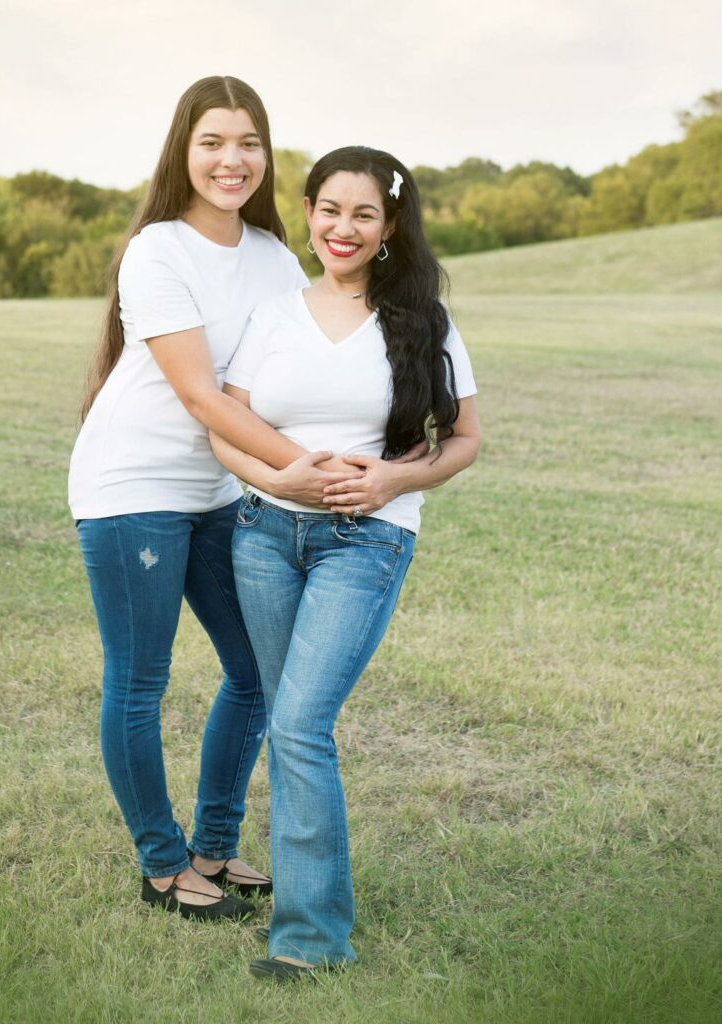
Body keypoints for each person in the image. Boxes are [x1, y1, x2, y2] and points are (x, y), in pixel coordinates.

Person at [69, 76, 363, 918]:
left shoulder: (274, 257)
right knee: (140, 680)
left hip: (217, 489)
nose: (231, 160)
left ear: (267, 156)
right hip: (132, 486)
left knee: (256, 671)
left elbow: (286, 374)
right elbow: (202, 397)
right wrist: (298, 471)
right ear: (183, 151)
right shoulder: (157, 249)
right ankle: (163, 866)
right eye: (212, 143)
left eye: (247, 143)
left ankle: (214, 845)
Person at [209, 146, 481, 978]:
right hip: (262, 536)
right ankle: (300, 907)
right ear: (310, 212)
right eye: (330, 209)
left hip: (366, 543)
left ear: (390, 224)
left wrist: (396, 476)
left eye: (363, 213)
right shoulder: (276, 314)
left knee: (297, 724)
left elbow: (466, 439)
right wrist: (276, 475)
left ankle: (310, 941)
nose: (343, 228)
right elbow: (225, 428)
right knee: (293, 727)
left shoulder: (423, 321)